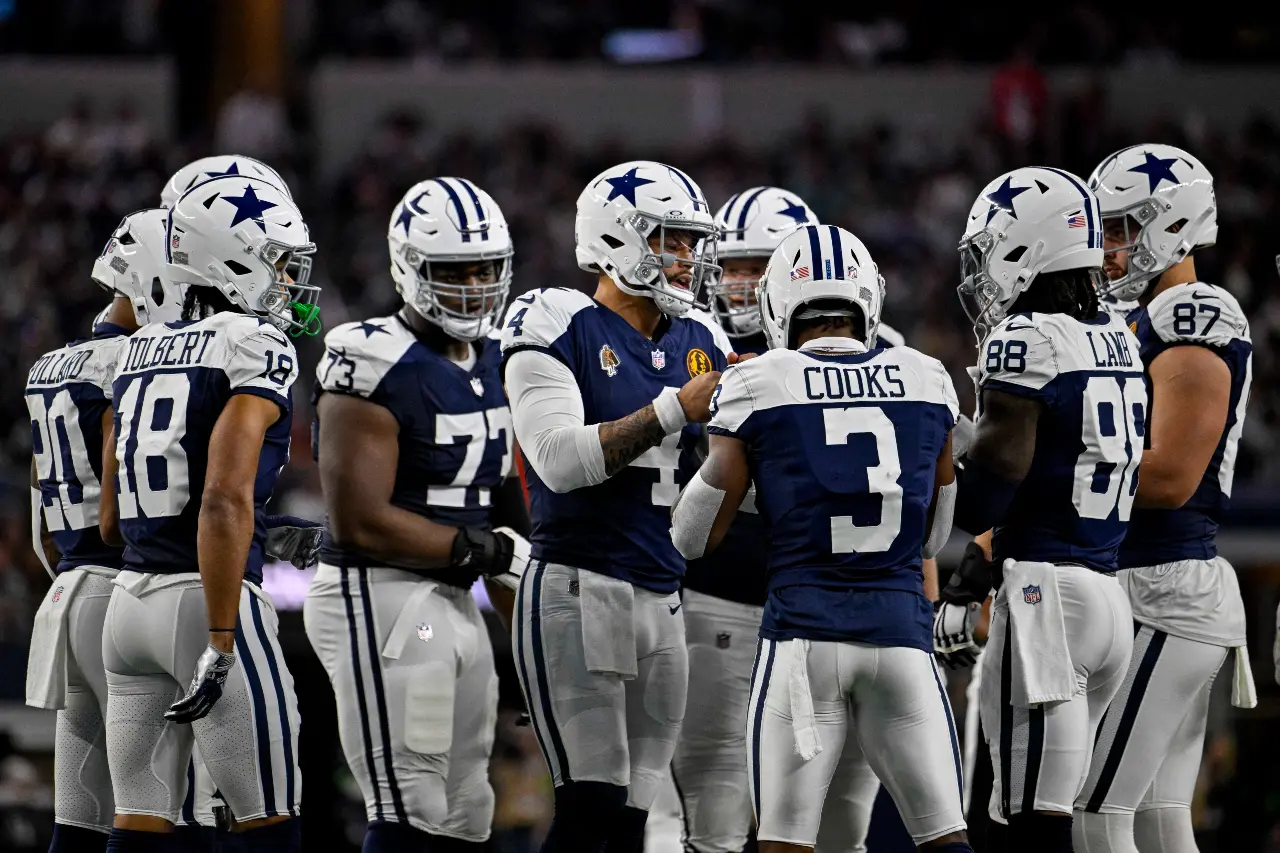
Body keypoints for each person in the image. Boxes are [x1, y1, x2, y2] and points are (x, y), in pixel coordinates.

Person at [672, 223, 969, 853]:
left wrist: (758, 476)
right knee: (945, 839)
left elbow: (693, 538)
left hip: (804, 638)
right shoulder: (927, 377)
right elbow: (931, 536)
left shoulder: (757, 383)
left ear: (779, 303)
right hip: (902, 640)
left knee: (785, 843)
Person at [501, 160, 731, 853]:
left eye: (693, 242)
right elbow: (558, 461)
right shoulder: (558, 320)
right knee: (590, 804)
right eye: (672, 239)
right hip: (578, 583)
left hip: (662, 594)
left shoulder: (703, 340)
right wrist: (671, 410)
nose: (689, 258)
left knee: (632, 820)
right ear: (617, 237)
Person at [304, 177, 531, 853]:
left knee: (467, 807)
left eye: (486, 268)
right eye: (454, 271)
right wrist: (486, 550)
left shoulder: (498, 357)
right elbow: (361, 522)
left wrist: (533, 646)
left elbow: (508, 519)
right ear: (408, 267)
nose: (474, 286)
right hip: (388, 597)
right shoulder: (370, 356)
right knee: (413, 797)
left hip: (451, 601)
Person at [96, 174, 320, 853]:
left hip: (127, 608)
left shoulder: (136, 347)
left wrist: (261, 529)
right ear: (236, 257)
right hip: (208, 603)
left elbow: (112, 520)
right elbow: (223, 496)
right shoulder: (254, 342)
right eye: (280, 262)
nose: (289, 281)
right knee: (267, 827)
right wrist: (221, 639)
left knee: (140, 830)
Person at [949, 167, 1145, 851]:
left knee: (1030, 827)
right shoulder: (1121, 335)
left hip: (1045, 597)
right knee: (1051, 816)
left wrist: (943, 468)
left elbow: (995, 477)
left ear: (1026, 245)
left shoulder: (1028, 335)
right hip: (1106, 598)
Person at [1073, 144, 1256, 853]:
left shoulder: (1191, 311)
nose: (1108, 248)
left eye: (1122, 228)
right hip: (1159, 588)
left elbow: (1174, 475)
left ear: (1171, 224)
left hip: (1164, 586)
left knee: (1093, 806)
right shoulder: (1147, 316)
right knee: (1155, 814)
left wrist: (1055, 476)